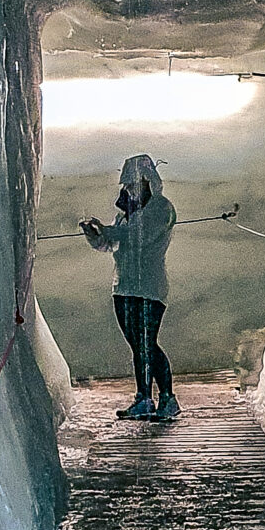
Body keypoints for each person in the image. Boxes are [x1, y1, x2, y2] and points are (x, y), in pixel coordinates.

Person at [81, 153, 179, 421]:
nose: (128, 189)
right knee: (139, 346)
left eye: (133, 184)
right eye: (127, 184)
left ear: (148, 182)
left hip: (149, 289)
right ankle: (147, 398)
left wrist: (109, 232)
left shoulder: (161, 209)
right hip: (124, 288)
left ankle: (163, 398)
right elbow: (113, 245)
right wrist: (97, 237)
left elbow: (140, 238)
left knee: (147, 345)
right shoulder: (125, 216)